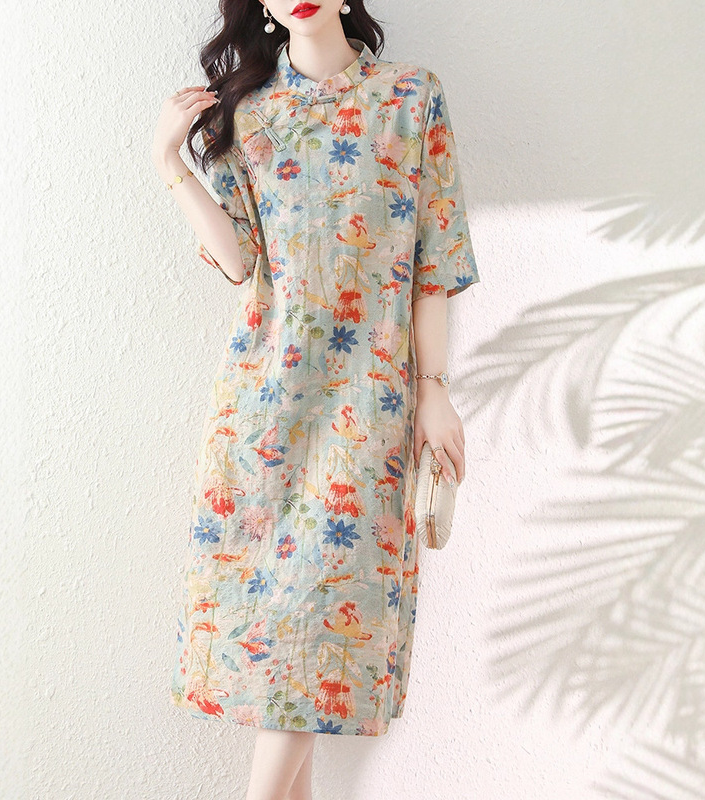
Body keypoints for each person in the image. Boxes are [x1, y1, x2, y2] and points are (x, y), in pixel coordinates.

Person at [152, 1, 481, 797]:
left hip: (370, 405)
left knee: (319, 622)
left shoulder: (410, 97)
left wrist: (434, 389)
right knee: (279, 643)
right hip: (262, 403)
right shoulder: (249, 116)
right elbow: (240, 264)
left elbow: (434, 259)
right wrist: (168, 160)